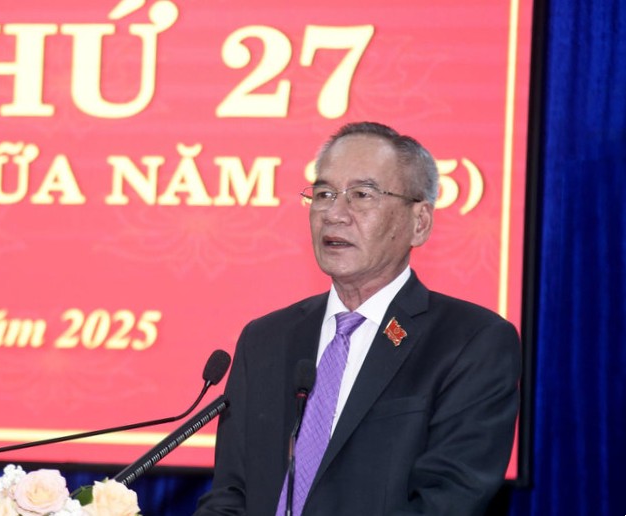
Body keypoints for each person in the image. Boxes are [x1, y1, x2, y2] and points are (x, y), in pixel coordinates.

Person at [194, 121, 521, 516]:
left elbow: (446, 501)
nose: (334, 213)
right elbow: (231, 494)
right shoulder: (266, 338)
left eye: (362, 195)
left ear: (420, 223)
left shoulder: (472, 342)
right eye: (323, 193)